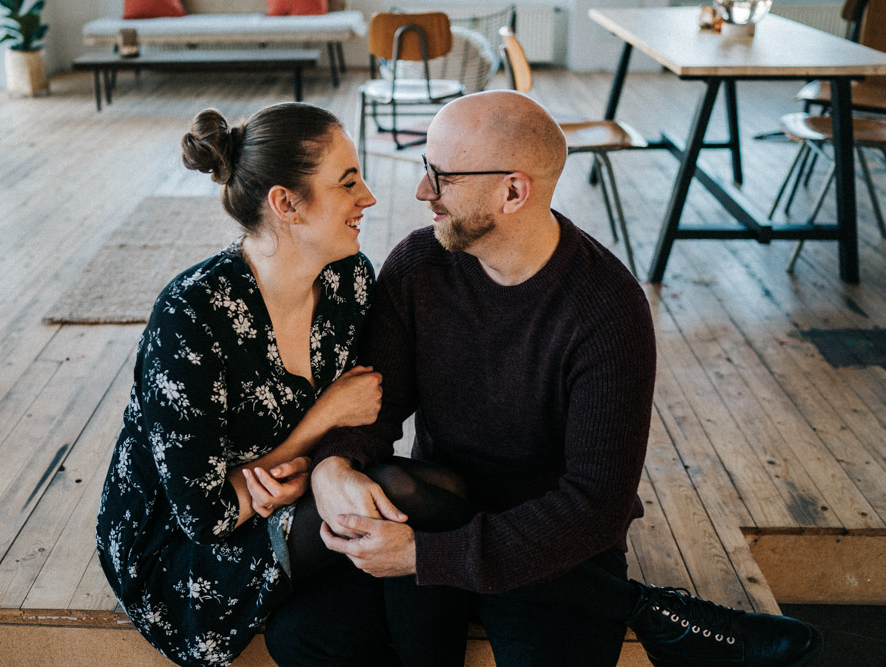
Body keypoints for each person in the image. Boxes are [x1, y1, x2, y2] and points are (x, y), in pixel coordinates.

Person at [264, 91, 822, 667]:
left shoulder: (606, 308)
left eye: (442, 176)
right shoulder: (419, 267)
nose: (421, 191)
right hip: (432, 506)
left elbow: (594, 505)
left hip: (551, 543)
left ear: (513, 191)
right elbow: (372, 411)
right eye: (424, 168)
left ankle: (651, 612)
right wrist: (333, 466)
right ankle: (647, 610)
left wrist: (429, 557)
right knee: (301, 633)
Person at [95, 102, 392, 666]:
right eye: (348, 182)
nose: (368, 198)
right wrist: (321, 422)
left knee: (410, 504)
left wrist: (315, 464)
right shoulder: (191, 315)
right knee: (402, 496)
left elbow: (365, 421)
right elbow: (204, 516)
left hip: (279, 498)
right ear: (285, 204)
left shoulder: (350, 279)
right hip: (179, 550)